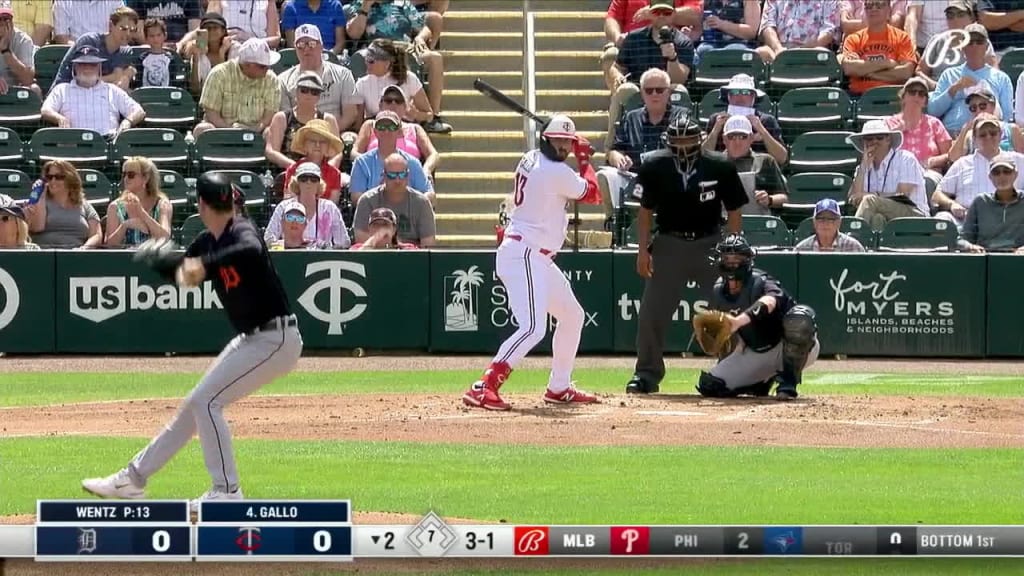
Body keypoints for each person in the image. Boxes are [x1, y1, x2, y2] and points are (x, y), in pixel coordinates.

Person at [81, 171, 303, 509]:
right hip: (254, 339)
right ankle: (132, 478)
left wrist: (193, 263)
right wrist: (165, 261)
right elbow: (187, 275)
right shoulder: (207, 240)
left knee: (206, 403)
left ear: (201, 204)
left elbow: (250, 249)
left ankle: (227, 491)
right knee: (195, 406)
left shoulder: (241, 233)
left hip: (276, 339)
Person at [462, 114, 602, 411]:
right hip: (525, 253)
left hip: (535, 255)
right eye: (559, 141)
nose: (564, 147)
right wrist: (586, 161)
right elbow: (593, 194)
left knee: (573, 316)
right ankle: (484, 386)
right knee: (534, 327)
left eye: (568, 142)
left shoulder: (531, 157)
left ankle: (559, 387)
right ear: (545, 140)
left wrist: (572, 148)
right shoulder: (555, 172)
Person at [625, 112, 747, 395]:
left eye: (688, 140)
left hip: (711, 243)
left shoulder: (720, 166)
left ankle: (729, 372)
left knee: (727, 308)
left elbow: (734, 211)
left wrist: (732, 248)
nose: (682, 146)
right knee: (652, 312)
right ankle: (646, 373)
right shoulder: (655, 165)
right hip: (669, 242)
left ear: (700, 139)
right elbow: (644, 212)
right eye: (677, 140)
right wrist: (642, 251)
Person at [694, 234, 820, 401]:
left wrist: (738, 321)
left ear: (747, 260)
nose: (732, 263)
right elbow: (723, 337)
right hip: (756, 351)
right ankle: (760, 382)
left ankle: (788, 383)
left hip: (786, 347)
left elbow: (770, 300)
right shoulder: (719, 290)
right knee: (711, 385)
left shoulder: (760, 280)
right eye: (727, 258)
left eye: (737, 258)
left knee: (799, 319)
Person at [607, 0, 694, 149]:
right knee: (624, 90)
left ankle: (683, 148)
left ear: (673, 15)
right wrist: (617, 76)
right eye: (656, 12)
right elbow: (616, 67)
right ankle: (611, 149)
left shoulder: (683, 42)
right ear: (650, 14)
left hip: (666, 90)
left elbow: (680, 78)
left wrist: (672, 57)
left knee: (680, 90)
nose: (661, 16)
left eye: (666, 13)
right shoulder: (634, 38)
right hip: (639, 88)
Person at [599, 68, 684, 218]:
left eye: (659, 90)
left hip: (671, 178)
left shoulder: (682, 116)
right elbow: (613, 150)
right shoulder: (631, 117)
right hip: (635, 177)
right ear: (642, 94)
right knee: (603, 176)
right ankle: (614, 227)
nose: (654, 94)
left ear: (668, 92)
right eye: (649, 90)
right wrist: (618, 158)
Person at [934, 114, 1024, 228]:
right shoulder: (962, 164)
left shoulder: (1019, 161)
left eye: (993, 133)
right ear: (974, 139)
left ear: (1001, 135)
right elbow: (937, 194)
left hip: (1009, 221)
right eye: (982, 134)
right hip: (966, 221)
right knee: (942, 219)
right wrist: (952, 204)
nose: (988, 137)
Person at [41, 45, 147, 137]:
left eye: (92, 64)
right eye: (82, 64)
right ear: (75, 68)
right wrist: (59, 118)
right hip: (73, 143)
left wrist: (127, 122)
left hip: (107, 142)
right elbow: (45, 110)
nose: (87, 68)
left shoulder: (112, 90)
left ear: (99, 67)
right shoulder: (62, 89)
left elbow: (138, 111)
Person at [927, 23, 1012, 137]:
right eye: (970, 42)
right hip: (953, 133)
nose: (974, 46)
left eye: (979, 42)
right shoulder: (949, 74)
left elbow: (1007, 117)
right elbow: (933, 111)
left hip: (988, 135)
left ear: (987, 47)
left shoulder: (1001, 78)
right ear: (962, 46)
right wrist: (954, 88)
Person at [276, 24, 359, 135]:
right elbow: (285, 118)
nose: (306, 49)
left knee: (350, 138)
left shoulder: (343, 74)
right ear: (295, 48)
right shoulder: (283, 80)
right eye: (300, 45)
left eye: (311, 44)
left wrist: (324, 135)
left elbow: (350, 116)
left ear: (321, 46)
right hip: (297, 135)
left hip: (334, 131)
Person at [353, 39, 449, 134]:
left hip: (404, 131)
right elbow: (359, 124)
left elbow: (429, 115)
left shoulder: (409, 79)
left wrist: (415, 114)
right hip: (377, 133)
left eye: (371, 61)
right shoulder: (361, 84)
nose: (366, 63)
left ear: (387, 63)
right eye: (366, 59)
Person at [846, 119, 928, 231]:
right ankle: (873, 247)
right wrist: (863, 167)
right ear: (863, 142)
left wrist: (872, 195)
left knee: (870, 200)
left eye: (879, 137)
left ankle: (853, 237)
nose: (874, 141)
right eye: (869, 138)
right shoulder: (862, 168)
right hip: (884, 215)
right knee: (877, 218)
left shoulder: (905, 159)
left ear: (888, 139)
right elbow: (853, 197)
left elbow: (902, 194)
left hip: (915, 215)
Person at [193, 38, 281, 138]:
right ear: (247, 65)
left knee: (270, 132)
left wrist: (255, 129)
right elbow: (211, 113)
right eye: (263, 66)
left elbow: (269, 115)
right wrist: (230, 130)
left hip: (256, 134)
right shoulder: (219, 74)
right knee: (202, 129)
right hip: (222, 131)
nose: (267, 69)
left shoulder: (272, 79)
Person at [351, 85, 440, 180]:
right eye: (388, 100)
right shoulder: (370, 126)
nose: (393, 104)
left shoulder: (415, 129)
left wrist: (426, 169)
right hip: (375, 176)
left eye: (398, 101)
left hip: (409, 177)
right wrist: (370, 165)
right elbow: (354, 153)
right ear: (380, 105)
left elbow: (434, 155)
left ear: (405, 107)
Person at [704, 115, 787, 215]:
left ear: (751, 138)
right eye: (731, 137)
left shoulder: (766, 161)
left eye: (743, 137)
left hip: (757, 224)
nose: (737, 142)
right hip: (721, 223)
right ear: (724, 139)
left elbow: (784, 198)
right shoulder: (713, 164)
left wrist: (769, 199)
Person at [350, 110, 434, 205]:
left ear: (399, 132)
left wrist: (415, 205)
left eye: (391, 127)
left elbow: (429, 193)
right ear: (375, 131)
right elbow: (356, 196)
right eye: (381, 127)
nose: (386, 131)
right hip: (374, 215)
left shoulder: (412, 162)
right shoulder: (362, 162)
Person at [352, 152, 436, 247]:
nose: (397, 180)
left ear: (408, 175)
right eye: (392, 175)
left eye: (402, 174)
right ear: (383, 176)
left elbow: (428, 245)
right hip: (375, 255)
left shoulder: (422, 203)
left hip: (411, 257)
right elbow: (361, 241)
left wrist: (400, 246)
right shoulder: (367, 200)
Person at [912, 0, 997, 91]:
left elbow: (994, 74)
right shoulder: (937, 41)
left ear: (972, 18)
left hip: (971, 96)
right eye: (950, 16)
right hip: (939, 95)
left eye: (960, 15)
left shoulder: (980, 41)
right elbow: (919, 71)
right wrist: (936, 86)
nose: (955, 20)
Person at [839, 0, 917, 97]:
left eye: (879, 5)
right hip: (859, 96)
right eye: (869, 6)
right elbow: (849, 68)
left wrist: (865, 72)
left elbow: (906, 72)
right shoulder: (852, 39)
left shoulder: (902, 38)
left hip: (893, 97)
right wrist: (887, 63)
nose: (874, 9)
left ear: (889, 10)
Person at [704, 73, 786, 165]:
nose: (740, 97)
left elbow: (781, 158)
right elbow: (702, 156)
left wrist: (762, 131)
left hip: (758, 172)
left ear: (754, 97)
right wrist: (715, 130)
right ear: (728, 96)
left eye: (745, 92)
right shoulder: (716, 120)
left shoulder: (766, 121)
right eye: (734, 92)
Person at [266, 71, 340, 171]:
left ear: (319, 97)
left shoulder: (328, 119)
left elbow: (337, 154)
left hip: (321, 175)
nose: (308, 95)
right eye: (304, 90)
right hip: (288, 171)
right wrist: (295, 166)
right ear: (296, 92)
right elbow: (271, 151)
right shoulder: (282, 118)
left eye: (314, 92)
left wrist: (326, 170)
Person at [265, 161, 350, 249]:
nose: (308, 182)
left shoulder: (330, 208)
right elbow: (268, 239)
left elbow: (344, 243)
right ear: (297, 182)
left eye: (313, 179)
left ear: (319, 183)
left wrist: (325, 248)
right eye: (303, 178)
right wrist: (289, 245)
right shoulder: (283, 207)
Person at [52, 6, 138, 92]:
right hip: (66, 92)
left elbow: (124, 74)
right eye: (123, 28)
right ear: (111, 26)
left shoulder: (125, 51)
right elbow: (85, 81)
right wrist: (114, 77)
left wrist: (126, 75)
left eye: (132, 30)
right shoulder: (90, 41)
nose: (128, 34)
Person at [885, 76, 951, 186]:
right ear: (903, 97)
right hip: (897, 173)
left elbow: (949, 154)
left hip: (928, 174)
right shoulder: (889, 124)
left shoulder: (934, 123)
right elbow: (879, 154)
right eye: (912, 92)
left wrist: (931, 161)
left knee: (926, 180)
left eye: (921, 94)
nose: (916, 96)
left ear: (925, 101)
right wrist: (895, 134)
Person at [23, 160, 103, 248]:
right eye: (49, 177)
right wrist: (41, 196)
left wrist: (84, 249)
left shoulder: (85, 205)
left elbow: (96, 235)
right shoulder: (39, 202)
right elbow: (37, 227)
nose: (53, 181)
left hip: (76, 255)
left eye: (58, 177)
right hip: (46, 254)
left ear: (70, 179)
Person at [958, 153, 1024, 253]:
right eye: (996, 173)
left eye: (1007, 172)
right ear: (990, 177)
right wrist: (970, 246)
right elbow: (962, 239)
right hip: (984, 261)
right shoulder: (980, 202)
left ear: (1015, 174)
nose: (1002, 176)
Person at [105, 157, 172, 247]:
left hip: (155, 258)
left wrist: (141, 213)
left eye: (131, 175)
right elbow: (109, 245)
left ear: (145, 178)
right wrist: (125, 225)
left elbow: (165, 238)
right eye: (124, 174)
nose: (126, 179)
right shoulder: (115, 207)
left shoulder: (162, 204)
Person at [282, 118, 345, 203]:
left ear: (328, 146)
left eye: (322, 142)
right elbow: (288, 199)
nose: (317, 145)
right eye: (312, 141)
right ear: (304, 144)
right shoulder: (293, 169)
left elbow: (333, 204)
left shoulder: (334, 173)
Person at [756, 0, 839, 64]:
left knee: (823, 53)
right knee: (760, 53)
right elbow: (767, 25)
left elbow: (829, 32)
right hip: (778, 51)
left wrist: (799, 52)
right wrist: (778, 49)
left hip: (811, 51)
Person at [179, 12, 238, 94]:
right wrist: (195, 59)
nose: (211, 31)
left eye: (215, 28)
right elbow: (195, 90)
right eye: (208, 28)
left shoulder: (234, 49)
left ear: (223, 31)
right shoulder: (198, 50)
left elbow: (226, 85)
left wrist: (222, 53)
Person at [793, 198, 867, 252]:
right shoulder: (801, 249)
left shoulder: (854, 247)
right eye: (821, 218)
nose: (826, 223)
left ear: (839, 222)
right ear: (814, 222)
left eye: (831, 219)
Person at [207, 0, 281, 49]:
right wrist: (223, 35)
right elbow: (205, 30)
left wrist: (251, 41)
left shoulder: (268, 2)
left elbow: (275, 39)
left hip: (256, 56)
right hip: (226, 52)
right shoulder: (218, 1)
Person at [281, 0, 347, 53]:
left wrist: (327, 56)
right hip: (301, 58)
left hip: (329, 58)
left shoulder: (335, 5)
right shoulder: (291, 7)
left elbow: (340, 43)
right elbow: (292, 44)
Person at [0, 3, 38, 94]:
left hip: (17, 91)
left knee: (34, 89)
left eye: (6, 19)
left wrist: (6, 50)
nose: (2, 23)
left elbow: (27, 79)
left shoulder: (23, 40)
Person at [53, 0, 128, 44]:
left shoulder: (116, 1)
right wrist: (82, 50)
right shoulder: (62, 2)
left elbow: (121, 32)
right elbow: (61, 38)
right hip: (75, 55)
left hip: (109, 54)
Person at [127, 0, 200, 45]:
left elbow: (195, 29)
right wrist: (159, 46)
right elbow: (138, 32)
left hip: (182, 47)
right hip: (149, 49)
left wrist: (180, 45)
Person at [351, 207, 418, 250]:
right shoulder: (357, 248)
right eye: (375, 225)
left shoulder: (406, 248)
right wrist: (375, 238)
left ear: (394, 229)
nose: (381, 229)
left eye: (385, 224)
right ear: (369, 229)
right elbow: (356, 259)